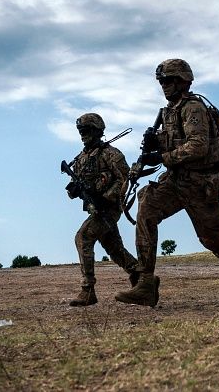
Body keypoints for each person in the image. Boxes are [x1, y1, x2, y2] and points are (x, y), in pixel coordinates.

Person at [115, 59, 219, 307]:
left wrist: (162, 155)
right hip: (175, 181)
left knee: (214, 241)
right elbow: (176, 144)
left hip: (201, 186)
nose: (164, 85)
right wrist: (156, 145)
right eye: (162, 81)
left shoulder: (193, 108)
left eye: (169, 80)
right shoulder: (169, 112)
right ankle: (146, 283)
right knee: (147, 207)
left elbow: (198, 146)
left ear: (184, 80)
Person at [65, 113, 139, 306]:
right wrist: (74, 190)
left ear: (97, 131)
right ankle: (139, 274)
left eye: (87, 130)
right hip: (95, 209)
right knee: (115, 249)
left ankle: (87, 289)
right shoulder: (81, 158)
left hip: (109, 208)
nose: (83, 134)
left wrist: (105, 196)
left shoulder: (111, 154)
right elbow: (78, 183)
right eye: (81, 131)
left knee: (83, 237)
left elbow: (124, 180)